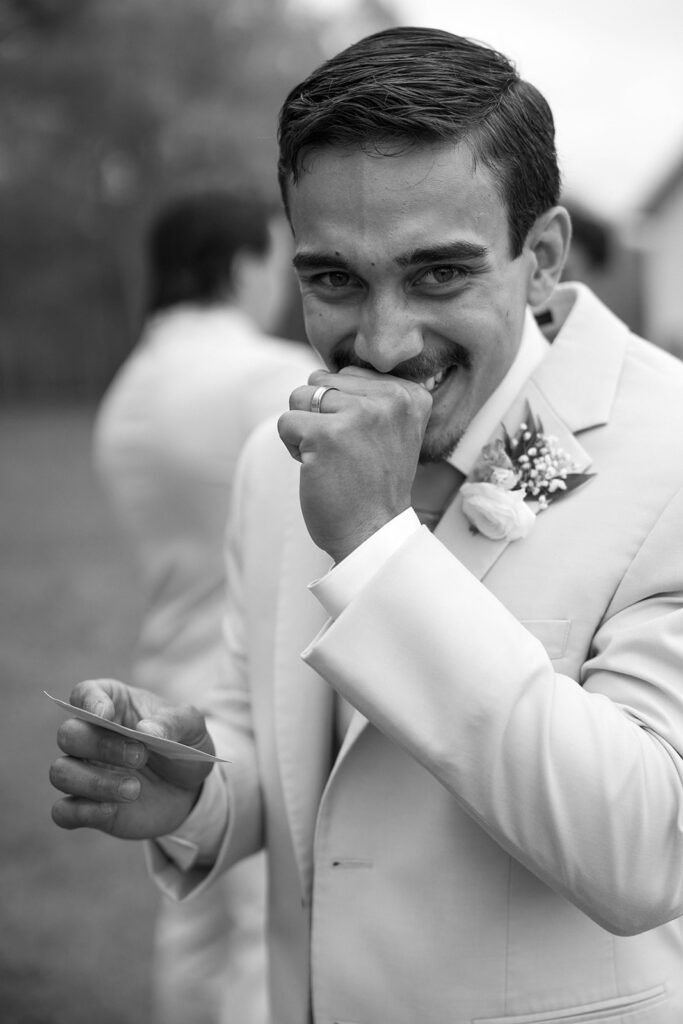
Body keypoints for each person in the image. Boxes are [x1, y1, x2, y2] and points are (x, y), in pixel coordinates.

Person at [50, 27, 683, 1023]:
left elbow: (648, 847)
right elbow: (271, 735)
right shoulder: (278, 454)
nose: (382, 343)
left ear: (543, 257)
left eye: (438, 275)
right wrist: (203, 789)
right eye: (333, 279)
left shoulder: (670, 450)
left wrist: (378, 545)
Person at [92, 189, 318, 1024]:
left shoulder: (130, 387)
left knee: (191, 923)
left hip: (162, 677)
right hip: (246, 687)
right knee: (264, 936)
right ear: (238, 265)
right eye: (278, 258)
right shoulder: (261, 375)